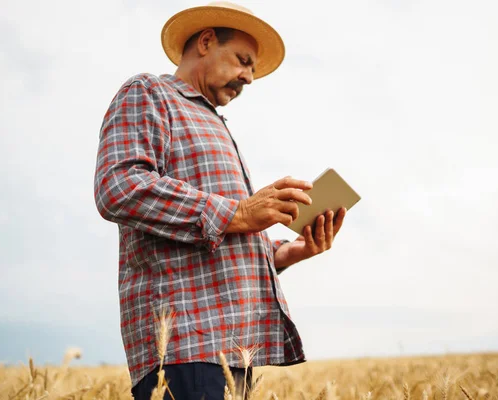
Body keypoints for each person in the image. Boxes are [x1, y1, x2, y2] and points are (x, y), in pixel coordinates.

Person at [93, 2, 346, 399]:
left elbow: (223, 236)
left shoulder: (216, 124)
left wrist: (285, 253)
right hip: (184, 345)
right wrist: (242, 211)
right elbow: (119, 187)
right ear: (207, 41)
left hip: (233, 349)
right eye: (243, 61)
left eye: (252, 70)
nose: (248, 76)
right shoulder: (149, 92)